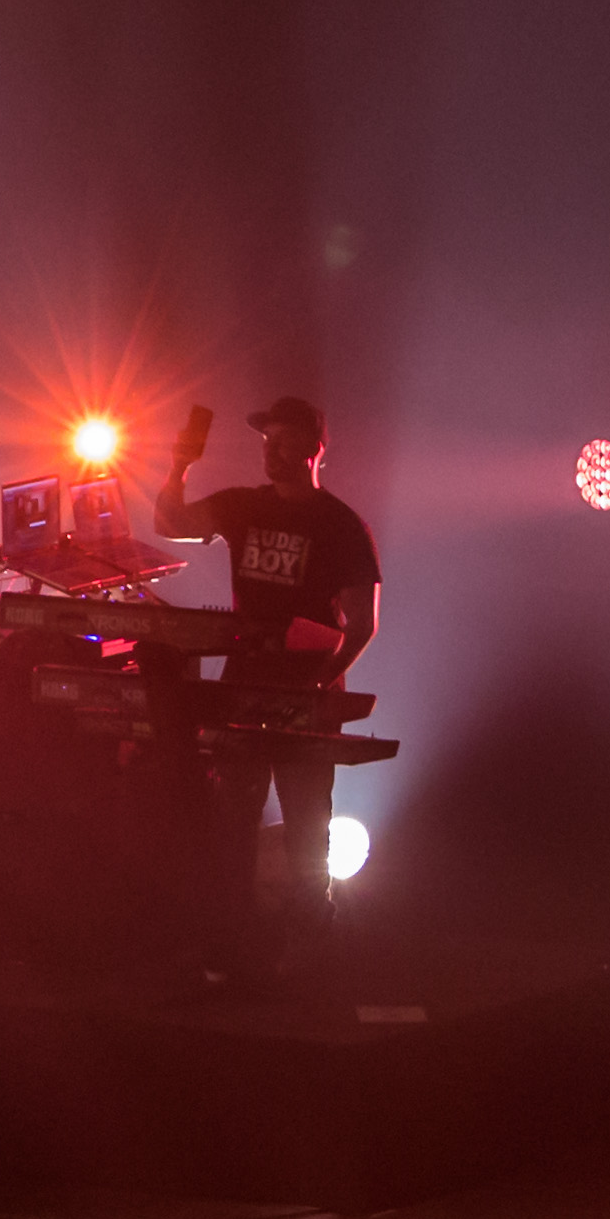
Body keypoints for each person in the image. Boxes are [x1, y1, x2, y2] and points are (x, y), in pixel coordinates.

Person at [157, 391, 382, 915]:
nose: (270, 449)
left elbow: (363, 625)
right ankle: (232, 924)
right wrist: (180, 465)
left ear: (314, 448)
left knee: (307, 822)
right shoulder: (243, 505)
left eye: (283, 439)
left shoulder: (342, 526)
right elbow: (170, 524)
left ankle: (310, 928)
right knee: (235, 815)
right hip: (245, 686)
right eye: (266, 439)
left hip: (306, 693)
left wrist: (319, 684)